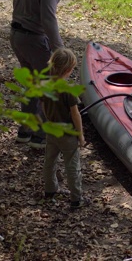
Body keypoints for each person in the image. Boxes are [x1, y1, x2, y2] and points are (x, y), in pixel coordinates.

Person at [10, 0, 74, 148]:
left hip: (17, 36)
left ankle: (25, 131)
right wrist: (59, 51)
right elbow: (48, 18)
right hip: (35, 39)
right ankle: (39, 137)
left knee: (32, 86)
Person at [37, 48, 89, 209]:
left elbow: (44, 107)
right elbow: (76, 115)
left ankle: (50, 189)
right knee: (72, 166)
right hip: (67, 135)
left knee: (50, 161)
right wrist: (80, 136)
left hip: (52, 131)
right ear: (68, 70)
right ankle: (76, 199)